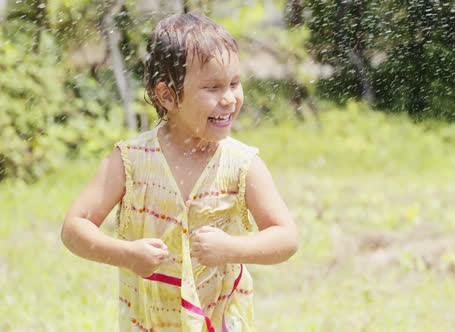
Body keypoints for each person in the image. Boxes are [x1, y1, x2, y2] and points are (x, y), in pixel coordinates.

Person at [61, 12, 298, 332]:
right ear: (168, 96)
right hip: (148, 322)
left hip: (219, 321)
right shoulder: (131, 161)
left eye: (234, 83)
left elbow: (286, 237)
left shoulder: (242, 164)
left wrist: (233, 249)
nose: (229, 98)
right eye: (213, 87)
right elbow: (75, 228)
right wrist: (126, 253)